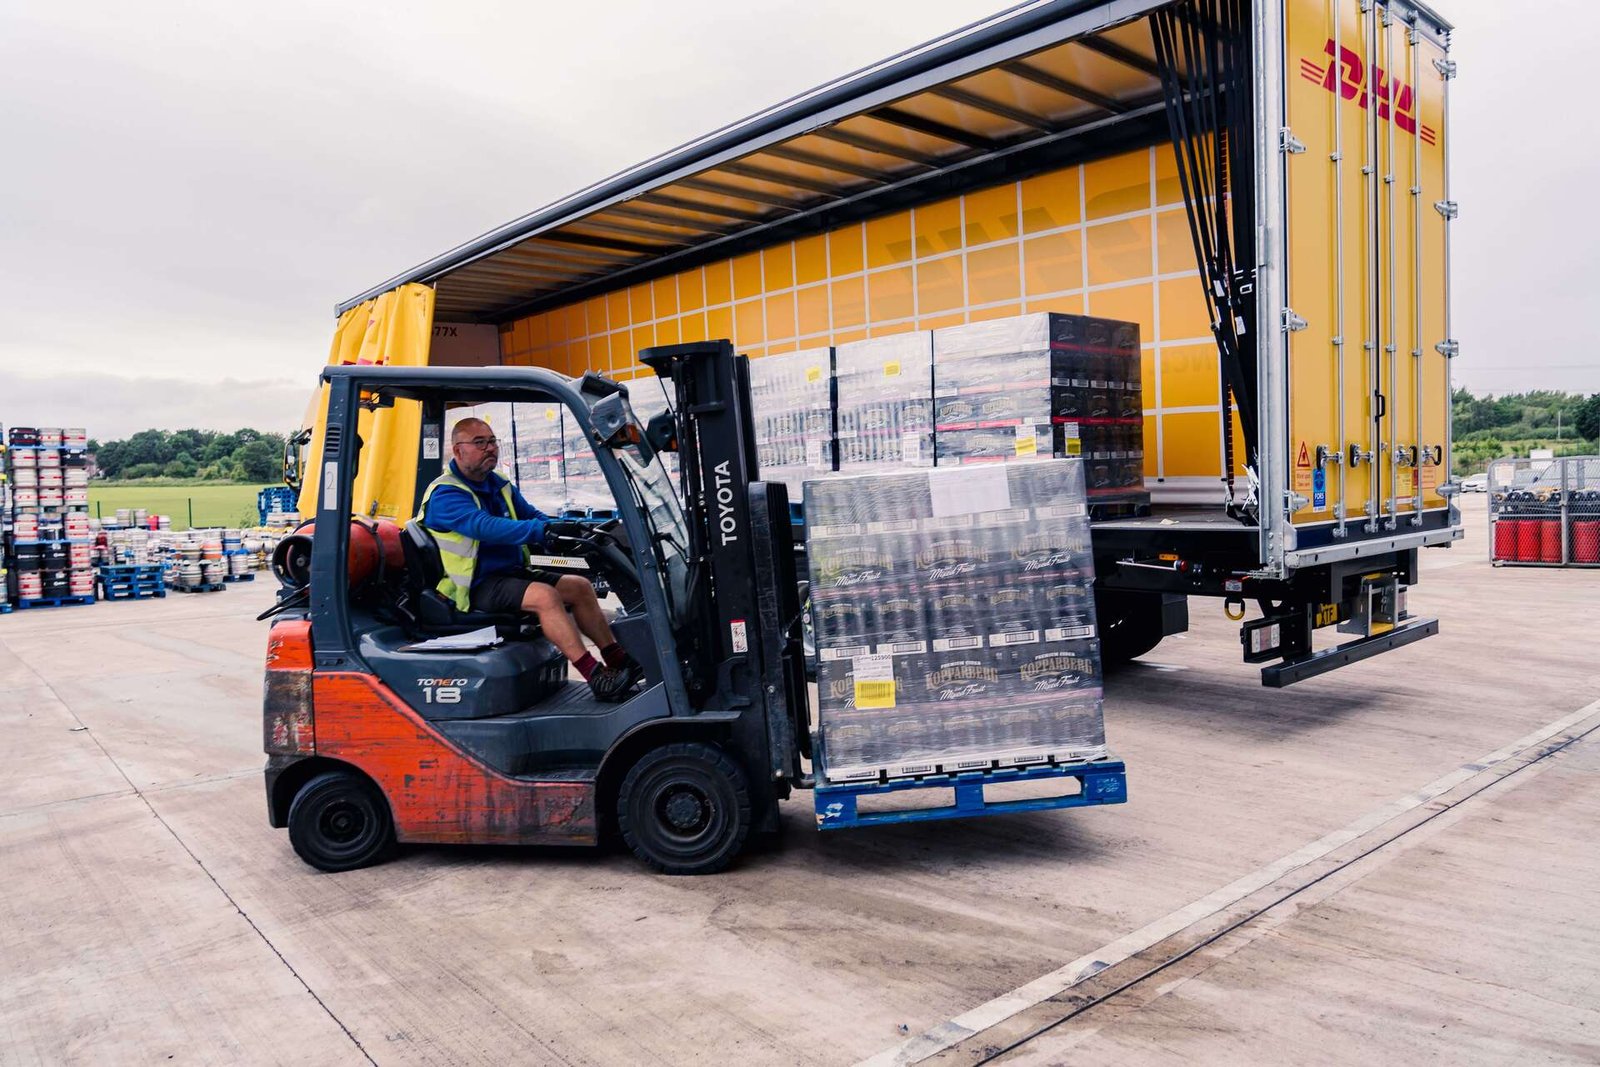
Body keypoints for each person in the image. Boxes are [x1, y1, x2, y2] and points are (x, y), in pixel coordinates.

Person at [418, 417, 641, 702]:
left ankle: (619, 660)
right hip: (474, 586)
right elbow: (484, 526)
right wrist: (541, 530)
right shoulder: (446, 494)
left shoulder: (498, 484)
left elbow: (530, 514)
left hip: (509, 574)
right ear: (458, 451)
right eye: (480, 443)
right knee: (545, 596)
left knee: (579, 586)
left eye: (492, 441)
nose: (490, 448)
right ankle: (595, 676)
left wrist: (564, 530)